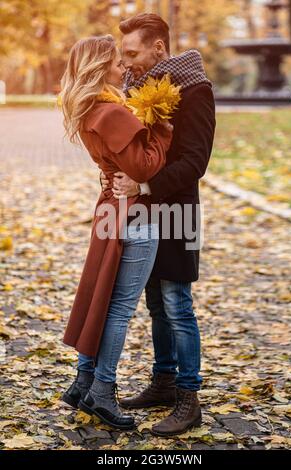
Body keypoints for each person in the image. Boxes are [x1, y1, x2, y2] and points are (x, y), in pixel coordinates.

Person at [100, 13, 216, 436]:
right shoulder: (136, 89)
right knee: (154, 302)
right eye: (123, 55)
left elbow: (195, 162)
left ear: (159, 48)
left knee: (177, 304)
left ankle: (189, 398)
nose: (127, 62)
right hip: (146, 214)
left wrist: (145, 185)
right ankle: (164, 381)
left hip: (178, 210)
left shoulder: (196, 91)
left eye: (133, 53)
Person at [60, 35, 173, 430]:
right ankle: (102, 392)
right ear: (100, 65)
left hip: (110, 208)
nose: (124, 65)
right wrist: (160, 129)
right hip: (135, 215)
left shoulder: (88, 109)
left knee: (102, 297)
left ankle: (84, 380)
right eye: (116, 59)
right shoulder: (114, 113)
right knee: (120, 307)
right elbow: (143, 168)